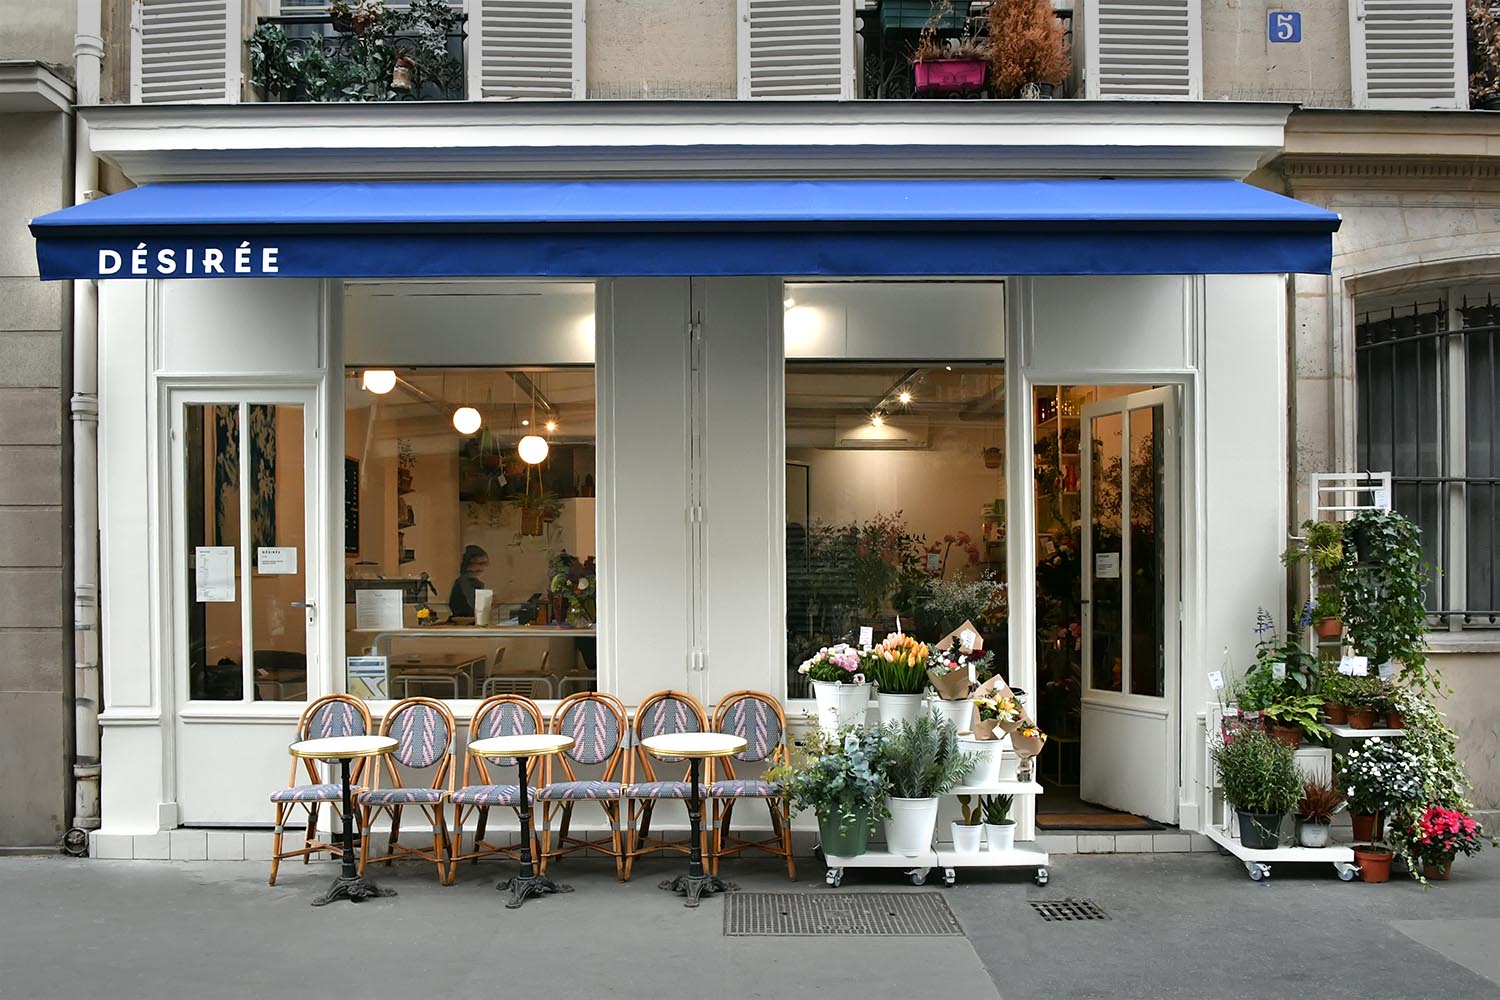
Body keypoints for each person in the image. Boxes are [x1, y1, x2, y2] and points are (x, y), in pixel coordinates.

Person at [448, 545, 489, 619]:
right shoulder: (463, 582)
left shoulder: (476, 582)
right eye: (480, 563)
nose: (483, 567)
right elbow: (473, 604)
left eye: (484, 564)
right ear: (470, 563)